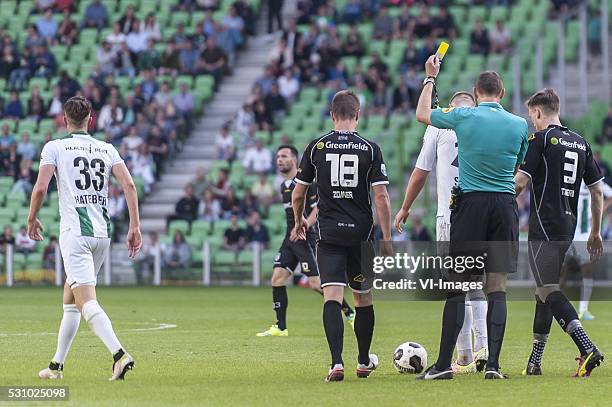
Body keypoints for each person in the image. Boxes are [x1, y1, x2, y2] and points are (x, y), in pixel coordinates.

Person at [415, 60, 529, 380]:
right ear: (502, 93)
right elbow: (518, 166)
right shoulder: (520, 124)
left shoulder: (464, 115)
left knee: (458, 286)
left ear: (476, 94)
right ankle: (493, 365)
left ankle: (442, 367)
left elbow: (423, 114)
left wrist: (431, 77)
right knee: (497, 287)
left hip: (471, 204)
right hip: (505, 205)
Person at [29, 96, 141, 381]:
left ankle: (119, 354)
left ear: (64, 120)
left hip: (75, 235)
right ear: (90, 120)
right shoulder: (106, 148)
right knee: (71, 299)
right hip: (101, 234)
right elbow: (128, 184)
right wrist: (134, 227)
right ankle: (56, 366)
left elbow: (41, 187)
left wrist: (32, 217)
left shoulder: (54, 147)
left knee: (86, 301)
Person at [291, 90, 391, 381]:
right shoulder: (370, 148)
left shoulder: (316, 147)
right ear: (358, 114)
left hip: (330, 234)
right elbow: (381, 196)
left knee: (332, 297)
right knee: (363, 298)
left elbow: (299, 194)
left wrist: (299, 222)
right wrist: (385, 236)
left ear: (332, 115)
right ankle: (362, 361)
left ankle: (336, 363)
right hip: (360, 234)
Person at [395, 91, 489, 374]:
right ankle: (484, 348)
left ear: (451, 106)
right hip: (481, 217)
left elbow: (421, 171)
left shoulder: (439, 124)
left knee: (454, 289)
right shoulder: (487, 124)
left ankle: (463, 357)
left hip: (449, 217)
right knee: (477, 285)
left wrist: (405, 208)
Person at [514, 88, 604, 378]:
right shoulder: (581, 142)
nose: (533, 122)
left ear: (538, 112)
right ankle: (534, 361)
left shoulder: (540, 139)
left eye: (532, 117)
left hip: (544, 225)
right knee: (543, 291)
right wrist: (595, 232)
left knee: (548, 289)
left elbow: (519, 184)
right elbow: (597, 191)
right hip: (568, 226)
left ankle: (587, 347)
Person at [257, 145, 355, 338]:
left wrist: (304, 226)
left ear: (294, 159)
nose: (279, 160)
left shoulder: (307, 184)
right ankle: (281, 327)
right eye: (277, 156)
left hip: (304, 237)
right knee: (277, 278)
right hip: (290, 238)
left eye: (284, 156)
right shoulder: (283, 186)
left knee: (316, 284)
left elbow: (317, 210)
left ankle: (350, 313)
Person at [560, 181, 612, 320]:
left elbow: (609, 194)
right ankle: (556, 307)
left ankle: (583, 309)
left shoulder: (593, 180)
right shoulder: (570, 177)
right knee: (561, 272)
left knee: (587, 270)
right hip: (567, 232)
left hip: (584, 234)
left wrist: (599, 214)